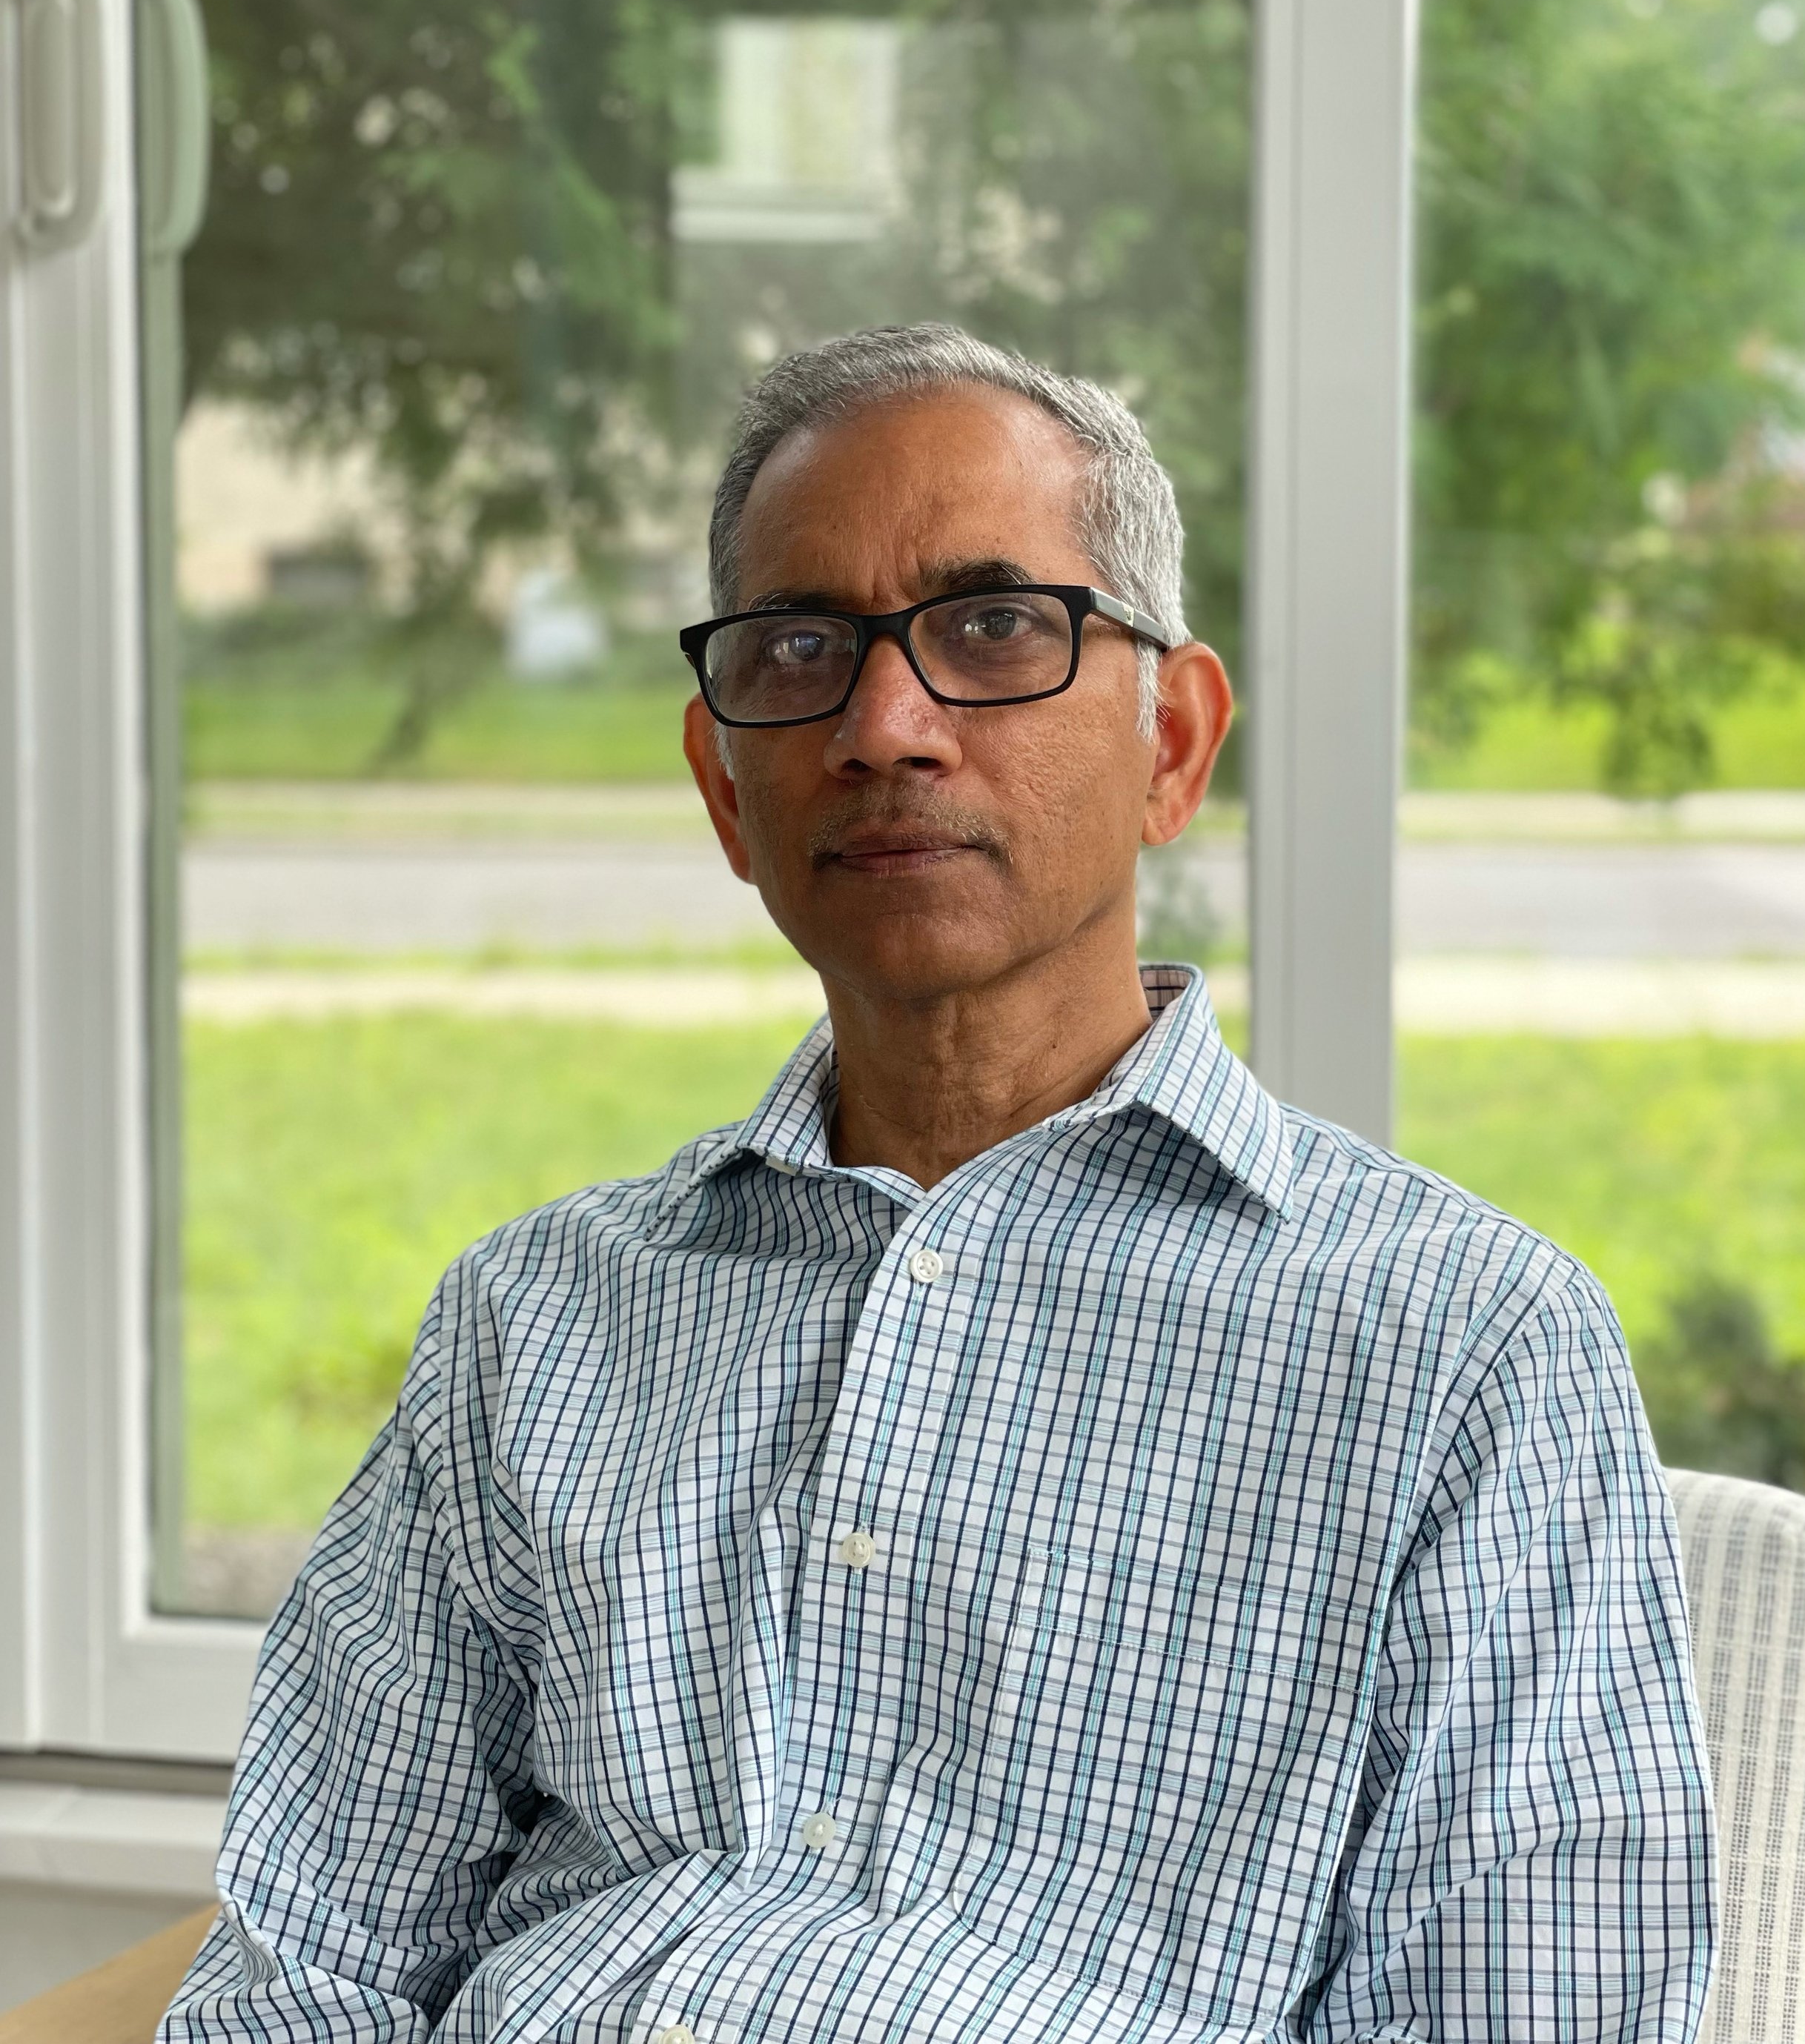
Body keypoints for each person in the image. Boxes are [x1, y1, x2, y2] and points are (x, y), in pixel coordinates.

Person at [161, 323, 1715, 2043]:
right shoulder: (536, 1321)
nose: (884, 725)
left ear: (1171, 742)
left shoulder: (1461, 1344)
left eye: (991, 627)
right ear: (723, 787)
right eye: (799, 647)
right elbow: (306, 1964)